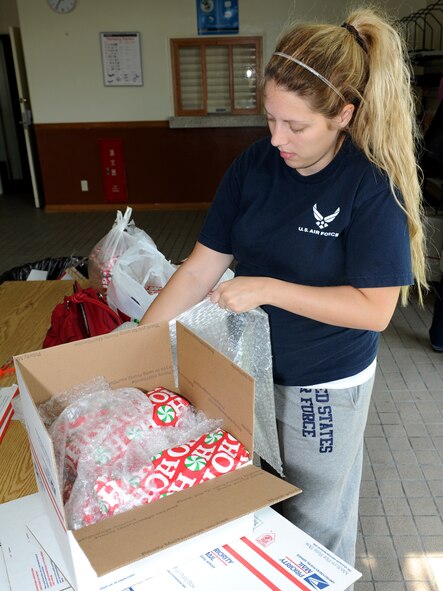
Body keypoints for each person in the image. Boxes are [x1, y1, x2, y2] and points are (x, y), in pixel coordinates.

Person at [140, 6, 428, 569]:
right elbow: (201, 268)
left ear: (343, 115)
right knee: (255, 500)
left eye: (295, 126)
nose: (277, 139)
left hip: (324, 384)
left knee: (317, 518)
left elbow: (375, 311)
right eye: (269, 119)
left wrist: (267, 287)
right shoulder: (254, 166)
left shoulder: (369, 187)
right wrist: (136, 339)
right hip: (250, 368)